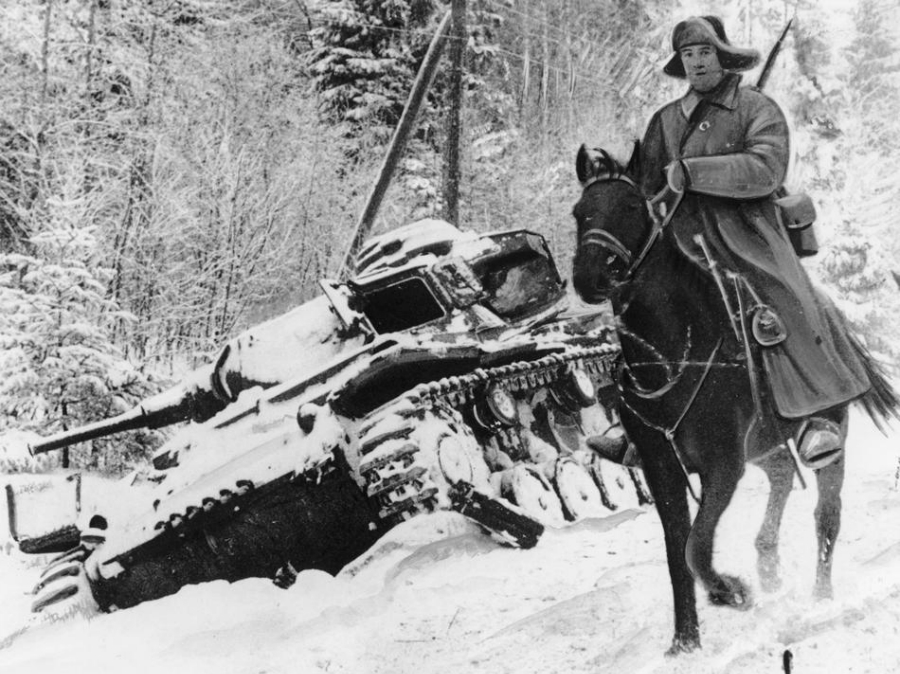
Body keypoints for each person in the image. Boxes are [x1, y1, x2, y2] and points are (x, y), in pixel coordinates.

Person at [634, 15, 872, 460]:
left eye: (705, 52)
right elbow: (646, 187)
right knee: (639, 309)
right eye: (688, 54)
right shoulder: (663, 121)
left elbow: (765, 170)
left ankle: (810, 417)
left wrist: (693, 172)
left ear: (722, 56)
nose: (697, 63)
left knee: (781, 300)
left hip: (745, 235)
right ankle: (637, 425)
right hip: (681, 240)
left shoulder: (757, 109)